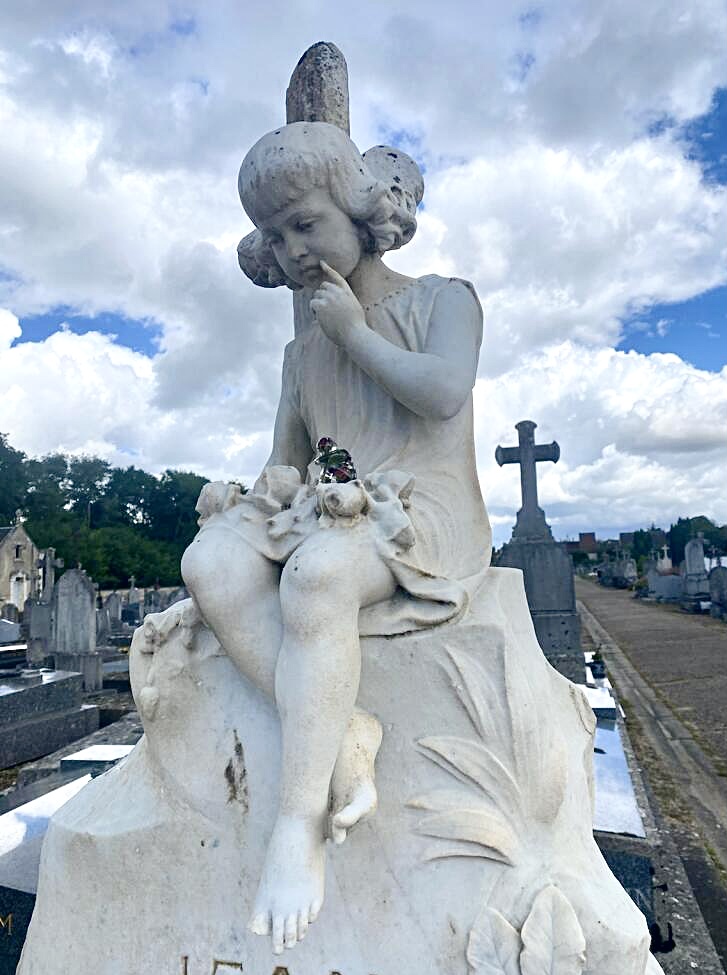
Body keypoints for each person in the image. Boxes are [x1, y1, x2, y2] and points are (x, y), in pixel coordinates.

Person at [180, 121, 492, 955]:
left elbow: (441, 394)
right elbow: (288, 461)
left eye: (304, 224)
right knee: (208, 559)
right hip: (332, 507)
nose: (290, 250)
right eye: (274, 237)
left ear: (360, 212)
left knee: (315, 576)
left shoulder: (441, 299)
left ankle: (298, 823)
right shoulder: (299, 351)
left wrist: (353, 331)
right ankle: (345, 731)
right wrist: (244, 496)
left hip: (419, 511)